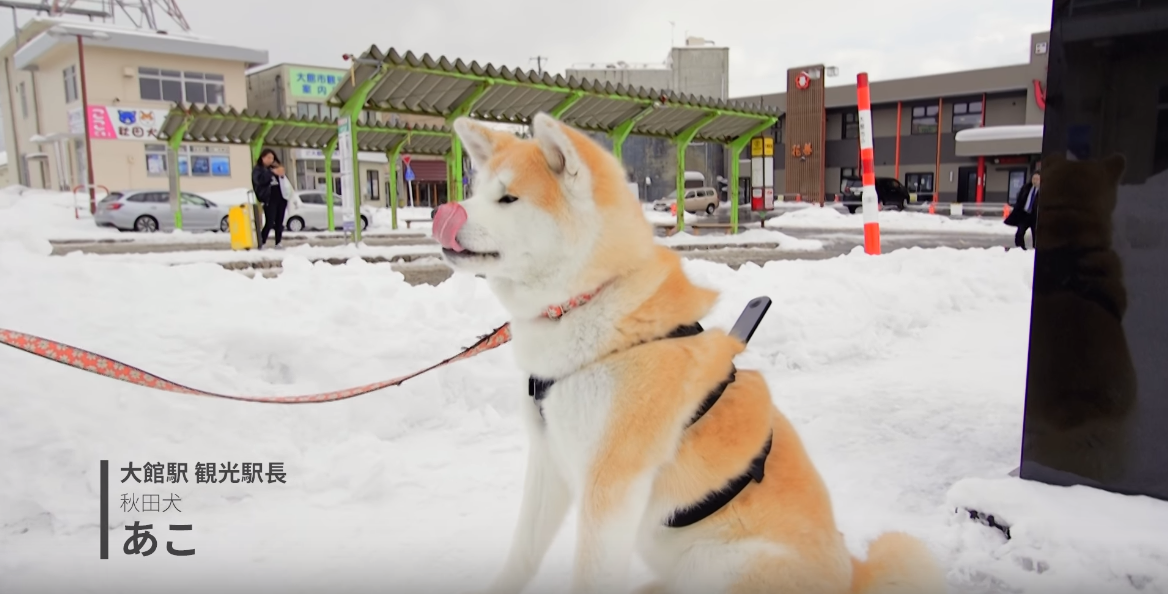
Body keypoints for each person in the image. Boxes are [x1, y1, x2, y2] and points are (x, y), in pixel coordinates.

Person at [1005, 171, 1040, 250]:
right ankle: (1020, 249)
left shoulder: (1044, 191)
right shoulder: (1026, 188)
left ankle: (1036, 250)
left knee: (1036, 235)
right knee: (1020, 233)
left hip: (1036, 216)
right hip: (1025, 214)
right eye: (1034, 178)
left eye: (1037, 179)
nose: (1035, 180)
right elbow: (1020, 200)